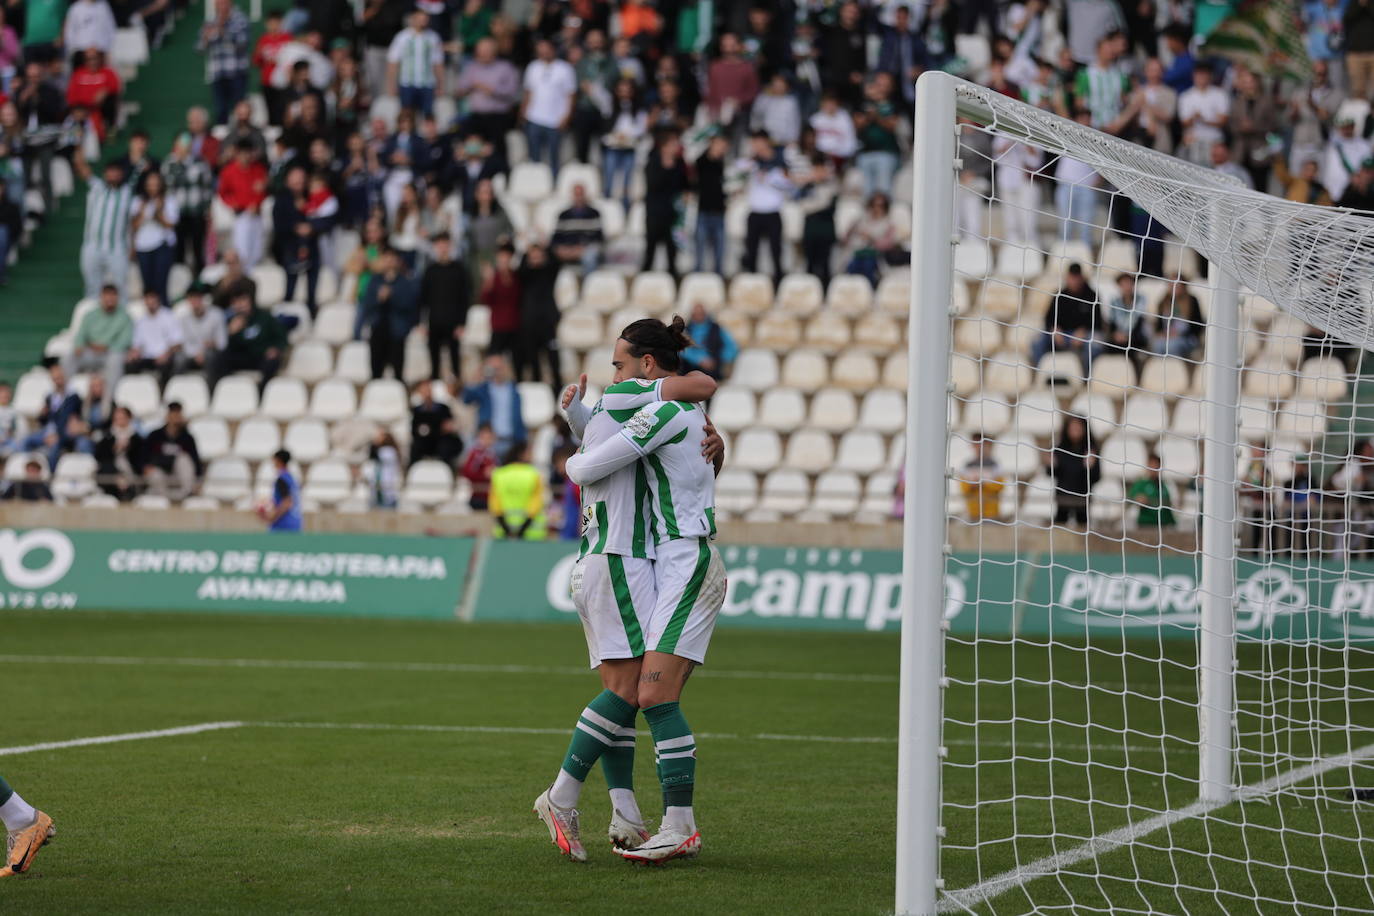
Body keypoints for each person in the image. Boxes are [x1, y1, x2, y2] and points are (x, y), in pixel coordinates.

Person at [548, 317, 725, 865]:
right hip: (653, 559)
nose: (613, 377)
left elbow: (591, 459)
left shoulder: (655, 406)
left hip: (672, 558)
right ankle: (637, 815)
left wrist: (572, 456)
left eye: (620, 364)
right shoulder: (681, 413)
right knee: (637, 693)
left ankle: (652, 819)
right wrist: (579, 416)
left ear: (648, 366)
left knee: (642, 694)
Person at [74, 151, 135, 303]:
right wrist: (78, 146)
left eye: (117, 172)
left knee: (120, 286)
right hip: (92, 246)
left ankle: (121, 322)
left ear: (122, 174)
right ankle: (93, 321)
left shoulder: (128, 192)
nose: (113, 175)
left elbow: (133, 222)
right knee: (92, 287)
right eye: (110, 172)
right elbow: (82, 169)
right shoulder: (97, 187)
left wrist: (132, 245)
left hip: (117, 248)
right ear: (105, 173)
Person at [358, 247, 418, 380]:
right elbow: (367, 304)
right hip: (378, 330)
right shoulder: (375, 280)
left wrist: (392, 296)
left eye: (392, 258)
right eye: (386, 258)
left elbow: (409, 305)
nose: (389, 261)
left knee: (398, 373)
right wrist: (379, 299)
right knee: (375, 373)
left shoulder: (405, 282)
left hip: (397, 332)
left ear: (398, 261)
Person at [739, 132, 791, 284]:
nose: (756, 146)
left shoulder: (779, 162)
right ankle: (752, 283)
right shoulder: (753, 162)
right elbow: (739, 167)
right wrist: (753, 161)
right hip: (755, 213)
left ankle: (778, 284)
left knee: (776, 252)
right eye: (754, 143)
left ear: (766, 142)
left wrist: (768, 178)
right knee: (751, 252)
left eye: (759, 143)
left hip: (773, 213)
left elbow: (787, 184)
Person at [1030, 263, 1102, 372]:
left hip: (1084, 335)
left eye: (1076, 278)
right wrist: (1055, 330)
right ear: (1067, 278)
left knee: (1095, 343)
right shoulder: (1059, 296)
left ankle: (1088, 376)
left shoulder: (1092, 296)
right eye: (1072, 278)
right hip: (1062, 334)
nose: (1074, 281)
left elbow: (1098, 321)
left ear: (1081, 278)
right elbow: (1048, 319)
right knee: (1037, 341)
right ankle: (1040, 372)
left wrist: (1084, 330)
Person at [209, 292, 287, 390]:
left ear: (250, 301)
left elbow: (281, 337)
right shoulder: (231, 320)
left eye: (243, 300)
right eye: (236, 302)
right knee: (219, 359)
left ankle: (261, 392)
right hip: (241, 356)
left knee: (272, 362)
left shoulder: (265, 317)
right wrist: (230, 333)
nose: (240, 305)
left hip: (261, 356)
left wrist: (276, 349)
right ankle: (226, 389)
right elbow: (225, 347)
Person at [521, 39, 577, 177]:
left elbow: (571, 95)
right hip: (533, 118)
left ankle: (553, 184)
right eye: (540, 50)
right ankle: (535, 182)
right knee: (534, 156)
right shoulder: (532, 67)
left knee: (554, 156)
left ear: (553, 50)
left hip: (555, 120)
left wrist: (566, 117)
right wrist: (523, 114)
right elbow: (528, 93)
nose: (544, 52)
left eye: (546, 49)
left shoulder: (565, 68)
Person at [419, 232, 470, 380]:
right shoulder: (430, 270)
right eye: (439, 244)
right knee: (434, 362)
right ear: (435, 247)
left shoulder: (459, 269)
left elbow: (464, 298)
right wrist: (422, 323)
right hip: (434, 322)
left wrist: (462, 323)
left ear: (450, 245)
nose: (442, 247)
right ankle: (435, 389)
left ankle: (456, 390)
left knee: (455, 361)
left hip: (453, 323)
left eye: (445, 243)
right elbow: (423, 299)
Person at [162, 133, 214, 276]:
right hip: (177, 214)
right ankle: (180, 282)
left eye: (187, 144)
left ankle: (200, 281)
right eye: (181, 144)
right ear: (176, 145)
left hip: (196, 212)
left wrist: (208, 208)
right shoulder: (169, 163)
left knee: (198, 249)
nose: (184, 147)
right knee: (179, 250)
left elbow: (208, 187)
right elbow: (167, 186)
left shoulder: (201, 162)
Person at [65, 285, 132, 387]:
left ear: (117, 298)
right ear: (101, 297)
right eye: (107, 295)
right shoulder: (90, 315)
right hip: (91, 352)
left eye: (113, 295)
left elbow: (125, 340)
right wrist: (79, 345)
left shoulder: (125, 317)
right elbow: (81, 334)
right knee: (69, 357)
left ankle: (108, 399)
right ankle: (65, 394)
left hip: (110, 353)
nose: (109, 299)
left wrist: (106, 346)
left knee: (115, 359)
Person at [642, 131, 688, 280]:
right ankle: (643, 281)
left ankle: (673, 283)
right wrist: (667, 166)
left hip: (672, 214)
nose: (676, 147)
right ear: (664, 146)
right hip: (654, 213)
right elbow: (653, 185)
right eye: (673, 144)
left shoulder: (680, 163)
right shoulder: (653, 161)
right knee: (650, 251)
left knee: (672, 253)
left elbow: (685, 185)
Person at [517, 243, 562, 390]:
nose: (536, 258)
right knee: (533, 361)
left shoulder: (549, 272)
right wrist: (526, 254)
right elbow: (520, 269)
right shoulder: (525, 275)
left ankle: (557, 391)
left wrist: (546, 246)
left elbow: (557, 262)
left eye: (538, 255)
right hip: (530, 324)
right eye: (532, 255)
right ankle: (538, 392)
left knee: (553, 360)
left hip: (548, 323)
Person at [198, 0, 252, 125]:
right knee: (221, 108)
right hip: (218, 72)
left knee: (240, 107)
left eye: (224, 3)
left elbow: (242, 43)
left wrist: (222, 30)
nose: (221, 7)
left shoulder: (240, 20)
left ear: (230, 3)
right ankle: (222, 133)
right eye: (218, 4)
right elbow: (199, 48)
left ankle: (241, 132)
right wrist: (205, 38)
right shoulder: (210, 22)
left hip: (237, 72)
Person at [217, 139, 269, 268]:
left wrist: (257, 203)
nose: (245, 156)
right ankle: (243, 279)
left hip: (256, 214)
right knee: (242, 251)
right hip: (241, 215)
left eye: (248, 153)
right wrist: (233, 203)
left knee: (257, 251)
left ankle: (253, 279)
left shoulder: (259, 170)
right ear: (236, 153)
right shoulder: (228, 171)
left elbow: (264, 191)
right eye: (242, 153)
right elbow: (223, 193)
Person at [131, 170, 178, 307]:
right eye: (150, 184)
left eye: (156, 184)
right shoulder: (138, 201)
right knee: (148, 285)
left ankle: (164, 312)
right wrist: (141, 211)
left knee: (161, 284)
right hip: (142, 246)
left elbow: (170, 224)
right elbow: (134, 226)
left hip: (162, 245)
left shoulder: (169, 200)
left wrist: (158, 211)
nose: (153, 187)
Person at [463, 355, 526, 457]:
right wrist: (476, 378)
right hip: (488, 443)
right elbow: (466, 399)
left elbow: (518, 417)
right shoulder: (483, 389)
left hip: (510, 441)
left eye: (499, 368)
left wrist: (521, 440)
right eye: (493, 368)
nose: (497, 371)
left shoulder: (514, 390)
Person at [386, 8, 443, 117]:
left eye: (425, 19)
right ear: (413, 19)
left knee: (427, 115)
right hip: (407, 83)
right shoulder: (402, 37)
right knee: (407, 115)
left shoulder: (433, 37)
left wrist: (440, 85)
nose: (423, 21)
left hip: (427, 83)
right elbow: (393, 62)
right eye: (420, 18)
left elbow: (438, 63)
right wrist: (391, 85)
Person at [141, 402, 201, 501]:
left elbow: (195, 460)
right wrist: (145, 466)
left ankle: (187, 493)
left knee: (184, 458)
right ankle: (164, 499)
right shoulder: (155, 435)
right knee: (155, 474)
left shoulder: (187, 438)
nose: (175, 417)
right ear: (167, 416)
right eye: (173, 414)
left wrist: (198, 480)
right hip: (160, 472)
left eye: (178, 414)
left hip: (178, 475)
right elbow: (144, 456)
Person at [1048, 416, 1099, 526]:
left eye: (1078, 427)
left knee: (1083, 529)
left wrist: (1089, 468)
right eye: (1072, 427)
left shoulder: (1091, 450)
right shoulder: (1059, 449)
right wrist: (1051, 465)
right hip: (1063, 498)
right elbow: (1051, 473)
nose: (1075, 429)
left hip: (1082, 499)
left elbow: (1096, 477)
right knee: (1059, 529)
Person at [489, 440, 546, 539]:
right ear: (522, 454)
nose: (532, 455)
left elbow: (495, 505)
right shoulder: (534, 474)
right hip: (531, 533)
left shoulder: (498, 474)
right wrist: (522, 529)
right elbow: (536, 504)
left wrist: (506, 529)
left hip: (504, 533)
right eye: (529, 452)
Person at [797, 154, 839, 287]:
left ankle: (826, 293)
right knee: (809, 264)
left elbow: (830, 208)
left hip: (826, 230)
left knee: (825, 265)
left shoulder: (832, 186)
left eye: (822, 169)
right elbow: (802, 206)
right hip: (810, 230)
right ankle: (809, 291)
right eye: (816, 169)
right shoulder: (806, 187)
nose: (819, 173)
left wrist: (814, 205)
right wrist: (820, 203)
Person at [126, 290, 184, 384]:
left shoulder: (169, 316)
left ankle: (163, 394)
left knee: (166, 366)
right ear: (144, 301)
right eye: (148, 299)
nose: (150, 302)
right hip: (147, 358)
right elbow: (136, 345)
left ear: (158, 300)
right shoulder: (141, 321)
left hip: (164, 357)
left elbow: (178, 344)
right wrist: (134, 353)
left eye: (153, 298)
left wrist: (166, 354)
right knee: (129, 364)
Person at [692, 133, 729, 276]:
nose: (721, 148)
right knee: (699, 250)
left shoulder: (724, 163)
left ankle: (718, 278)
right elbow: (699, 166)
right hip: (703, 211)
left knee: (719, 251)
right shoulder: (702, 162)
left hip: (719, 212)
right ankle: (696, 277)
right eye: (718, 144)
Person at [550, 184, 604, 274]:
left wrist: (582, 248)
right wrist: (563, 249)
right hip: (567, 249)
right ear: (572, 195)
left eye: (581, 194)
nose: (579, 197)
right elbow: (556, 238)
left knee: (590, 257)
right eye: (576, 194)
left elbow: (599, 238)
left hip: (585, 249)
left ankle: (588, 285)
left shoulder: (594, 213)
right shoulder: (563, 215)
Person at [410, 379, 462, 467]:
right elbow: (415, 430)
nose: (427, 393)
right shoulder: (417, 410)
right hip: (424, 441)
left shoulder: (443, 407)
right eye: (424, 390)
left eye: (428, 389)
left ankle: (448, 471)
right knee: (415, 447)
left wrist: (447, 427)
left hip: (441, 439)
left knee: (446, 446)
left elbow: (449, 425)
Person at [1147, 278, 1204, 358]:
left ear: (1183, 286)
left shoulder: (1192, 301)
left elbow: (1197, 326)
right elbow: (1158, 326)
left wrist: (1179, 334)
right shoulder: (1163, 301)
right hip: (1166, 337)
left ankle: (1175, 369)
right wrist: (1161, 334)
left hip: (1186, 338)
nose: (1174, 287)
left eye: (1177, 285)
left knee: (1173, 346)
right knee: (1158, 344)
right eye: (1171, 285)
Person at [682, 303, 738, 380]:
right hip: (691, 368)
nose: (699, 316)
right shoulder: (686, 330)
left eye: (701, 313)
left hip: (713, 367)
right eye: (696, 313)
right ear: (692, 315)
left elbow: (731, 346)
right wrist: (699, 360)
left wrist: (720, 359)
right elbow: (682, 350)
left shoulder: (717, 328)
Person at [958, 433, 1006, 521]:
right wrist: (973, 485)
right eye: (976, 444)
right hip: (972, 513)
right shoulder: (967, 466)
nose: (979, 447)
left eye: (982, 444)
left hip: (991, 514)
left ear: (988, 445)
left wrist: (983, 483)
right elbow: (963, 488)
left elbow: (1000, 486)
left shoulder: (995, 465)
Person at [1129, 453, 1175, 530]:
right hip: (1146, 525)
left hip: (1164, 525)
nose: (1154, 468)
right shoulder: (1141, 483)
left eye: (1156, 465)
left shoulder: (1165, 485)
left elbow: (1169, 505)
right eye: (1151, 465)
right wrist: (1137, 499)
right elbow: (1130, 497)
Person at [261, 449, 303, 532]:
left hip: (283, 526)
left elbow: (287, 502)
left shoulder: (281, 479)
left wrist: (273, 516)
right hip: (296, 524)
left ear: (278, 461)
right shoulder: (292, 478)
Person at [461, 422, 499, 510]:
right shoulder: (476, 454)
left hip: (491, 495)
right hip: (478, 495)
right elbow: (467, 472)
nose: (487, 441)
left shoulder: (493, 454)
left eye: (489, 438)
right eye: (484, 438)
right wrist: (484, 474)